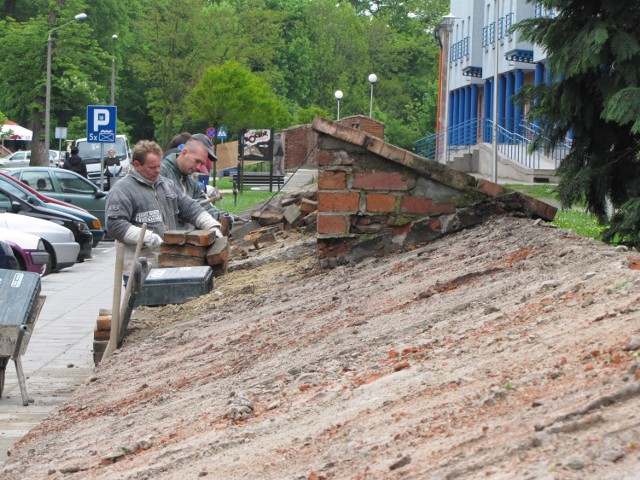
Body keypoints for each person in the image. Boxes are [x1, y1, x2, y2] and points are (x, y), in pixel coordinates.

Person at [106, 140, 222, 276]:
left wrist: (212, 225)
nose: (157, 171)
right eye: (152, 167)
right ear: (137, 165)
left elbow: (190, 208)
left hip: (166, 264)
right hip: (138, 268)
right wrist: (148, 238)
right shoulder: (122, 190)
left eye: (159, 166)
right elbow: (114, 224)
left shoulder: (166, 185)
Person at [161, 133, 223, 230]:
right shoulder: (161, 173)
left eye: (202, 164)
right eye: (197, 161)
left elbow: (205, 205)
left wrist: (221, 216)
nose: (199, 167)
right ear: (184, 152)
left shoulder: (191, 182)